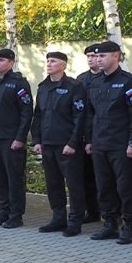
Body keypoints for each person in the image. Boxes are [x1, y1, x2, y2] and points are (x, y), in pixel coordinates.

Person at [86, 40, 132, 244]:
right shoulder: (95, 82)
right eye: (97, 56)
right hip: (100, 142)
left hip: (121, 144)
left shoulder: (129, 82)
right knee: (104, 186)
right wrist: (89, 140)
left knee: (125, 186)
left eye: (102, 56)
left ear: (116, 56)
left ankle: (129, 225)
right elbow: (90, 113)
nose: (98, 60)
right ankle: (110, 222)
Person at [30, 51, 88, 236]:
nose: (48, 64)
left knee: (74, 184)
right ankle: (58, 218)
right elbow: (38, 115)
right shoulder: (43, 87)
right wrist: (37, 140)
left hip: (67, 145)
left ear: (63, 65)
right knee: (53, 183)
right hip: (48, 144)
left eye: (53, 61)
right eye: (47, 60)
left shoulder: (74, 86)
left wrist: (73, 142)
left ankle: (75, 221)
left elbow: (80, 117)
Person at [0, 48, 33, 229]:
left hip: (11, 138)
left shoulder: (18, 83)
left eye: (2, 60)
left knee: (14, 177)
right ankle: (5, 209)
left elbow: (26, 112)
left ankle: (16, 214)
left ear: (11, 63)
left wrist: (20, 138)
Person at [76, 44, 103, 224]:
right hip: (83, 134)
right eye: (88, 57)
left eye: (94, 56)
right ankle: (92, 211)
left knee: (105, 178)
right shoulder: (81, 79)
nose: (91, 59)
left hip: (102, 134)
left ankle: (113, 214)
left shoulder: (107, 78)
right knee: (86, 176)